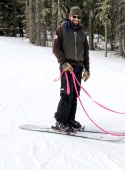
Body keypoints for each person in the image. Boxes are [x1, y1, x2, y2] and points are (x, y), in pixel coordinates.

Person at [52, 6, 90, 134]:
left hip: (78, 68)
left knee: (74, 95)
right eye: (74, 16)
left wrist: (87, 69)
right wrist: (63, 62)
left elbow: (85, 53)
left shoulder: (82, 34)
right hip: (67, 67)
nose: (76, 19)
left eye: (78, 17)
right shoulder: (61, 30)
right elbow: (56, 49)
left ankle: (69, 120)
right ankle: (60, 122)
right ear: (69, 16)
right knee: (66, 95)